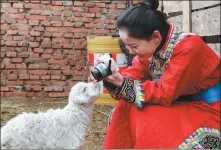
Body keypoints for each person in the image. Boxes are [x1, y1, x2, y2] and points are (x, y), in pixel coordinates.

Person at [100, 0, 220, 149]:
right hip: (179, 104)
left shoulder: (188, 48)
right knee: (125, 107)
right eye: (127, 46)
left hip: (208, 109)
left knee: (150, 120)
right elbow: (134, 74)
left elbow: (164, 93)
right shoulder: (152, 50)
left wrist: (123, 83)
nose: (130, 52)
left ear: (155, 37)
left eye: (133, 46)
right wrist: (114, 79)